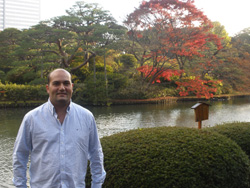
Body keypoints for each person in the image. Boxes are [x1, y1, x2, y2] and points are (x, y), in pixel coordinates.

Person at [12, 68, 106, 188]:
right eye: (56, 83)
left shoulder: (86, 117)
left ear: (72, 87)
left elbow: (96, 154)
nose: (62, 88)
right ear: (48, 88)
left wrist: (96, 185)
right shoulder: (31, 119)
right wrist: (21, 186)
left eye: (66, 83)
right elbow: (19, 155)